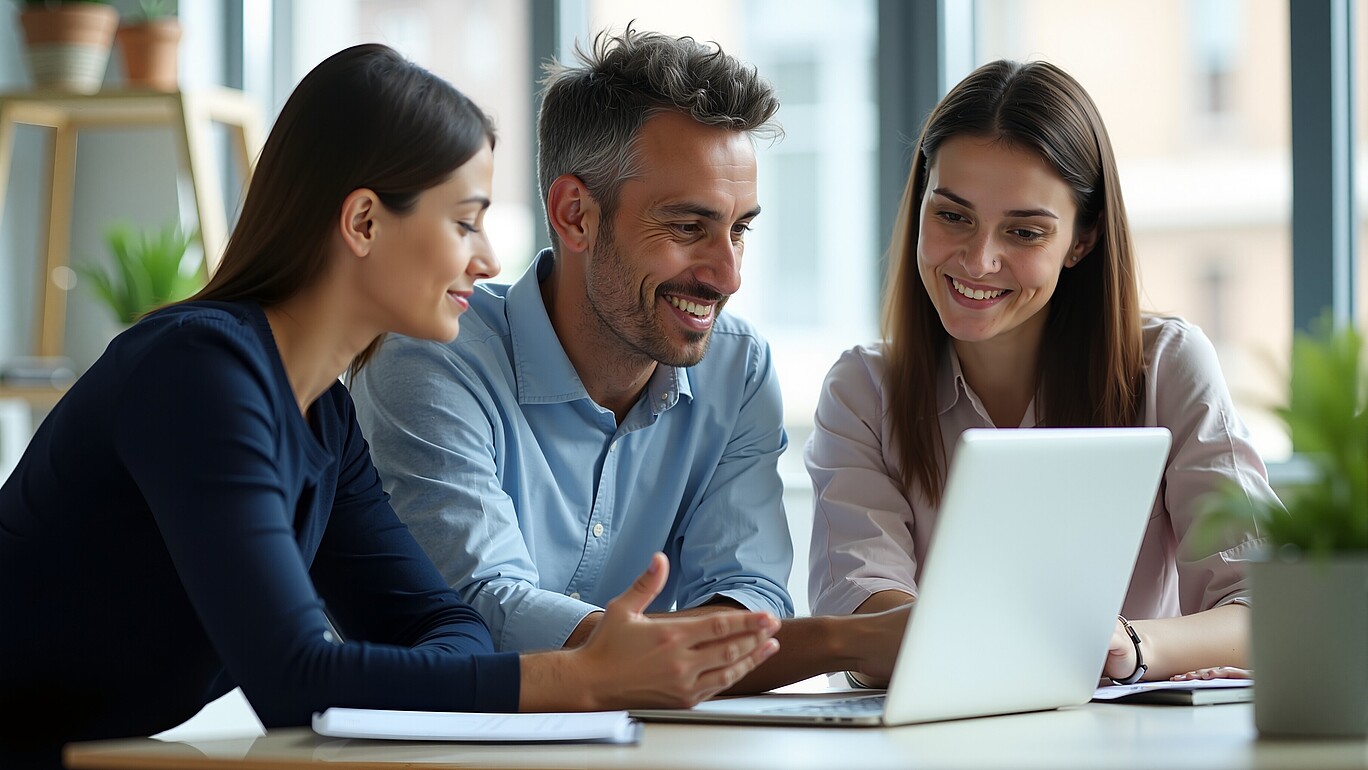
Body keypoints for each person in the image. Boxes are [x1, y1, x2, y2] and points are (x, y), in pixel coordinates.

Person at [0, 44, 780, 769]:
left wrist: (452, 672)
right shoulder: (198, 374)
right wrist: (580, 679)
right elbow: (297, 680)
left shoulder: (323, 420)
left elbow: (449, 629)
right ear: (365, 222)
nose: (489, 258)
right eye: (464, 220)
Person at [350, 27, 906, 693]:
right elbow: (483, 606)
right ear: (575, 215)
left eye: (739, 229)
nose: (727, 275)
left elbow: (748, 593)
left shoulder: (738, 369)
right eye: (686, 227)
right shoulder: (434, 356)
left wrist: (670, 656)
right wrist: (847, 638)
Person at [805, 59, 1279, 686]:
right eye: (952, 216)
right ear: (920, 205)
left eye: (1024, 231)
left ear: (1080, 241)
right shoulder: (863, 392)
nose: (978, 260)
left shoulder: (1166, 366)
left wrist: (1130, 643)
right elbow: (862, 609)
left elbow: (1265, 609)